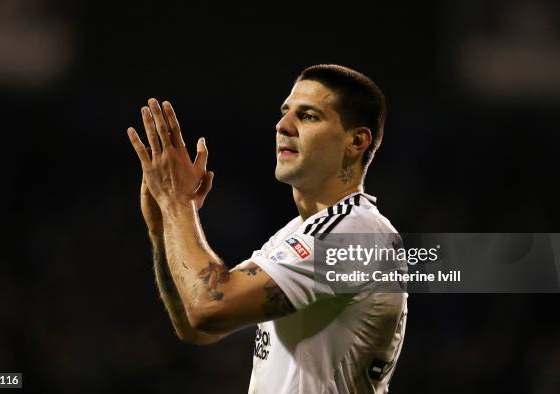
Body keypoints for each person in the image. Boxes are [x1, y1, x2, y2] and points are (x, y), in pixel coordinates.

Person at [127, 64, 408, 394]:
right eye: (285, 112)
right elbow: (197, 327)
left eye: (308, 116)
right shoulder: (299, 232)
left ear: (356, 141)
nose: (282, 125)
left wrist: (178, 204)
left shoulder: (352, 234)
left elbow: (208, 307)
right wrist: (163, 230)